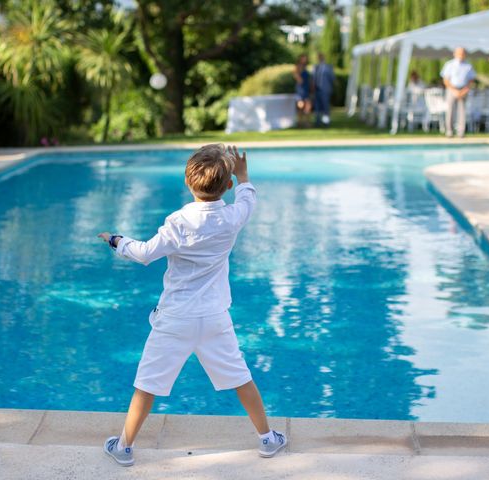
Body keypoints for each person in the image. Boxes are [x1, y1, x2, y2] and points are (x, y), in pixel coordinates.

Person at [97, 144, 287, 467]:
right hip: (214, 318)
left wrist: (117, 241)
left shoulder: (178, 222)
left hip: (174, 318)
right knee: (241, 377)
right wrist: (242, 175)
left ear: (188, 183)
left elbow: (143, 253)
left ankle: (124, 447)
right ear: (226, 186)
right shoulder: (231, 218)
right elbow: (248, 198)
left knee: (147, 383)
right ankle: (268, 439)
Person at [440, 47, 476, 137]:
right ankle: (449, 131)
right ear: (454, 54)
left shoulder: (468, 66)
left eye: (462, 53)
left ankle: (461, 132)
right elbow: (445, 80)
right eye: (459, 53)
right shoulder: (449, 65)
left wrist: (464, 90)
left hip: (463, 89)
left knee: (462, 111)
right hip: (451, 89)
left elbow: (471, 80)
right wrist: (454, 90)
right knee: (450, 110)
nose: (461, 55)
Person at [313, 52, 335, 127]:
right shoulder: (316, 67)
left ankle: (326, 122)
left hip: (325, 90)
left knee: (325, 106)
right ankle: (318, 121)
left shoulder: (328, 67)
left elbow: (332, 78)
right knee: (317, 106)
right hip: (317, 89)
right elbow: (313, 78)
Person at [293, 53, 312, 127]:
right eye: (304, 58)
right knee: (300, 106)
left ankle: (307, 122)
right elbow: (298, 79)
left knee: (308, 106)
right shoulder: (297, 67)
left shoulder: (305, 68)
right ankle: (300, 122)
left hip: (306, 90)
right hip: (300, 90)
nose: (305, 60)